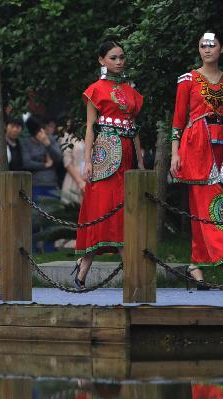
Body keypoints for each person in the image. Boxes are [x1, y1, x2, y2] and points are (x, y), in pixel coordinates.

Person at [171, 31, 223, 288]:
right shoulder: (187, 80)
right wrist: (174, 153)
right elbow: (177, 120)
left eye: (212, 45)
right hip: (196, 150)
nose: (207, 49)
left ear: (222, 49)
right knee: (206, 207)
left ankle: (196, 265)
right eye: (203, 45)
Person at [73, 41, 144, 288]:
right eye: (113, 57)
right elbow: (90, 127)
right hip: (105, 156)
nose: (119, 61)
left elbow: (134, 130)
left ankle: (129, 273)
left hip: (127, 157)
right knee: (101, 210)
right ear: (101, 60)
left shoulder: (131, 90)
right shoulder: (95, 90)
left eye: (122, 57)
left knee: (124, 211)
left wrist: (141, 163)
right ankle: (84, 267)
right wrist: (88, 160)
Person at [21, 116, 63, 202]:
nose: (43, 131)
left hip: (52, 182)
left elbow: (59, 158)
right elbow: (27, 163)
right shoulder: (26, 143)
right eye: (39, 129)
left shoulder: (50, 139)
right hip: (36, 183)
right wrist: (45, 165)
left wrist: (47, 144)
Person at [60, 119, 86, 206]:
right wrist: (80, 182)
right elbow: (67, 162)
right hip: (74, 179)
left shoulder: (93, 133)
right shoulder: (68, 137)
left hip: (90, 179)